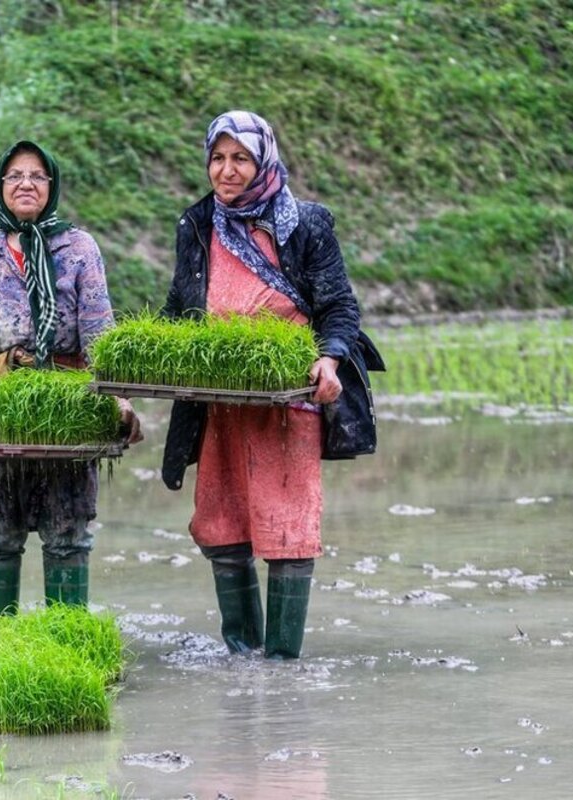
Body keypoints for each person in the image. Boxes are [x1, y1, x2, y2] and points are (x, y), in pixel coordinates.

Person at [161, 110, 362, 660]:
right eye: (218, 158)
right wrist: (144, 363)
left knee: (288, 519)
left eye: (240, 158)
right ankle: (242, 658)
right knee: (223, 520)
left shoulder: (306, 222)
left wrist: (330, 360)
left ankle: (282, 665)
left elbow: (339, 306)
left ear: (263, 161)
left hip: (287, 398)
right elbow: (180, 308)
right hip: (218, 403)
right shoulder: (198, 224)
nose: (227, 170)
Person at [0, 140, 141, 615]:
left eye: (37, 176)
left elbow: (101, 335)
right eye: (15, 176)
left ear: (52, 185)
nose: (25, 184)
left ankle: (66, 647)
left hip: (65, 407)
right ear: (1, 187)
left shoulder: (79, 248)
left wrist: (119, 400)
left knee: (67, 534)